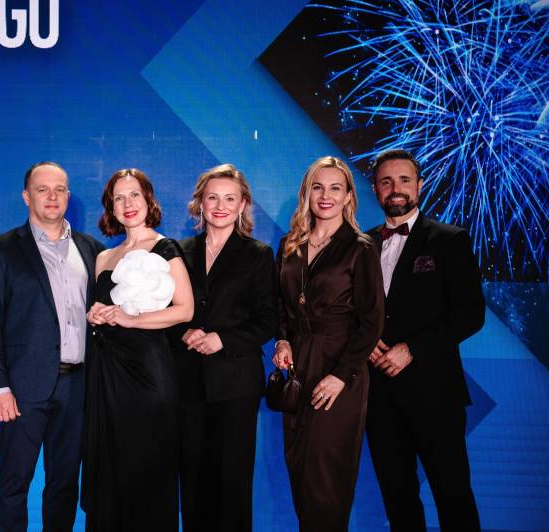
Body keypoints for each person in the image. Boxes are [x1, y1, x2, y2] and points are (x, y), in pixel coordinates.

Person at [0, 162, 104, 532]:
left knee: (64, 483)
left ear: (68, 196)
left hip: (78, 386)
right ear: (26, 196)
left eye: (60, 189)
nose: (52, 197)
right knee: (14, 481)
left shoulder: (91, 250)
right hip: (21, 388)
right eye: (42, 189)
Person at [365, 149, 485, 531]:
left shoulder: (450, 240)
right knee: (397, 499)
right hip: (378, 396)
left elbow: (470, 314)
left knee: (453, 496)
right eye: (386, 181)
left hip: (436, 395)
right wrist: (364, 342)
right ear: (375, 189)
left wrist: (412, 349)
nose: (395, 188)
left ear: (419, 185)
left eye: (404, 180)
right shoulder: (361, 244)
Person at [273, 155, 384, 531]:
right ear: (306, 193)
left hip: (340, 369)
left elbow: (371, 322)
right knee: (299, 469)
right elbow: (280, 307)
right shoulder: (290, 245)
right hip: (297, 368)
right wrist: (282, 341)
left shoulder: (361, 248)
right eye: (317, 187)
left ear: (349, 196)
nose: (325, 196)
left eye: (335, 188)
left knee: (325, 477)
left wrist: (340, 376)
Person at [82, 168, 194, 532]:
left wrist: (132, 319)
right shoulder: (103, 257)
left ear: (149, 201)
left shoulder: (166, 247)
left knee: (146, 467)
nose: (127, 204)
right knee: (110, 467)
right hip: (106, 374)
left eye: (135, 195)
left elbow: (185, 310)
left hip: (148, 374)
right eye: (119, 197)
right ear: (110, 207)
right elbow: (103, 309)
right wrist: (96, 314)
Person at [170, 164, 277, 532]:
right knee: (192, 481)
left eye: (229, 199)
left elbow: (268, 320)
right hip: (187, 382)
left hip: (236, 384)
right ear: (200, 203)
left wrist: (222, 339)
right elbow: (163, 310)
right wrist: (183, 331)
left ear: (243, 204)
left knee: (232, 483)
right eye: (212, 198)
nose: (220, 206)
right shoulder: (178, 251)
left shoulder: (258, 254)